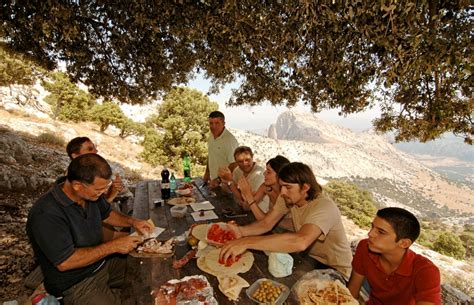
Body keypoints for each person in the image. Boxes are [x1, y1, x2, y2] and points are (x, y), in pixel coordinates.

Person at [27, 154, 153, 305]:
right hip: (75, 282)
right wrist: (114, 246)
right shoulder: (46, 214)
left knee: (147, 267)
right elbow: (65, 262)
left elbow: (106, 214)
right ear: (77, 185)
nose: (103, 193)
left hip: (101, 264)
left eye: (105, 187)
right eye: (99, 189)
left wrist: (133, 221)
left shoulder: (88, 196)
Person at [219, 162, 353, 279]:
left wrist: (246, 242)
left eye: (288, 187)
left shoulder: (324, 206)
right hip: (307, 261)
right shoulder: (288, 197)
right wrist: (240, 231)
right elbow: (266, 223)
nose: (282, 192)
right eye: (281, 186)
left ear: (305, 187)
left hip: (335, 271)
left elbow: (301, 241)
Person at [347, 207, 441, 305]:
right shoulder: (365, 247)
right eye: (372, 227)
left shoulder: (425, 271)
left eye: (381, 232)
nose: (370, 234)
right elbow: (352, 292)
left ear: (404, 243)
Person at [62, 137, 124, 204]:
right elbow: (97, 211)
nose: (96, 151)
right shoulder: (74, 179)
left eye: (95, 148)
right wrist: (112, 196)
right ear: (75, 156)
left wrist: (112, 189)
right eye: (90, 149)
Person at [218, 146, 269, 213]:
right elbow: (227, 190)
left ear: (252, 157)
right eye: (240, 161)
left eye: (247, 160)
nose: (244, 164)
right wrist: (224, 180)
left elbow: (246, 201)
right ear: (235, 161)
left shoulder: (259, 174)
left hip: (257, 213)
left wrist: (230, 181)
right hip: (242, 210)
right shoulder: (238, 170)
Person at [237, 155, 289, 220]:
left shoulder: (287, 195)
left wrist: (249, 196)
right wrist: (247, 197)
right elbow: (247, 208)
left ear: (279, 175)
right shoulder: (266, 187)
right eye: (265, 170)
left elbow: (265, 222)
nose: (264, 173)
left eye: (268, 172)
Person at [203, 111, 239, 189]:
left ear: (223, 123)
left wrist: (219, 179)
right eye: (211, 123)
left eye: (217, 123)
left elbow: (234, 164)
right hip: (214, 182)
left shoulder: (229, 140)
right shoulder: (211, 136)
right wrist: (207, 173)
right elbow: (211, 155)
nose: (213, 126)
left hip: (227, 184)